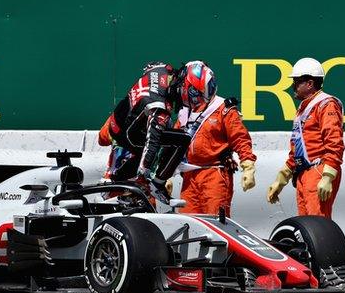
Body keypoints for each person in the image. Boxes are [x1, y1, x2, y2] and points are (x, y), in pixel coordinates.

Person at [99, 61, 191, 204]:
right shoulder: (160, 108)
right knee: (182, 140)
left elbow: (148, 67)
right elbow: (152, 142)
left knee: (150, 143)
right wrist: (144, 175)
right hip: (126, 134)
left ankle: (114, 182)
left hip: (118, 121)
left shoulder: (162, 69)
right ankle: (156, 184)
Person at [174, 61, 256, 216]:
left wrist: (248, 166)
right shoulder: (184, 113)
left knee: (216, 225)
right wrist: (168, 175)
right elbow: (173, 145)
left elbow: (240, 138)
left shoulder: (223, 109)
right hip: (189, 176)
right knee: (189, 223)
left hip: (215, 174)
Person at [267, 57, 345, 219]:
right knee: (307, 227)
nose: (293, 86)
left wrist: (328, 176)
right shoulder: (304, 108)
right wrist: (281, 180)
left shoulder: (326, 105)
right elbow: (297, 150)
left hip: (318, 171)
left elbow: (334, 142)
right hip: (304, 174)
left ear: (309, 84)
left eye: (296, 81)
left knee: (318, 226)